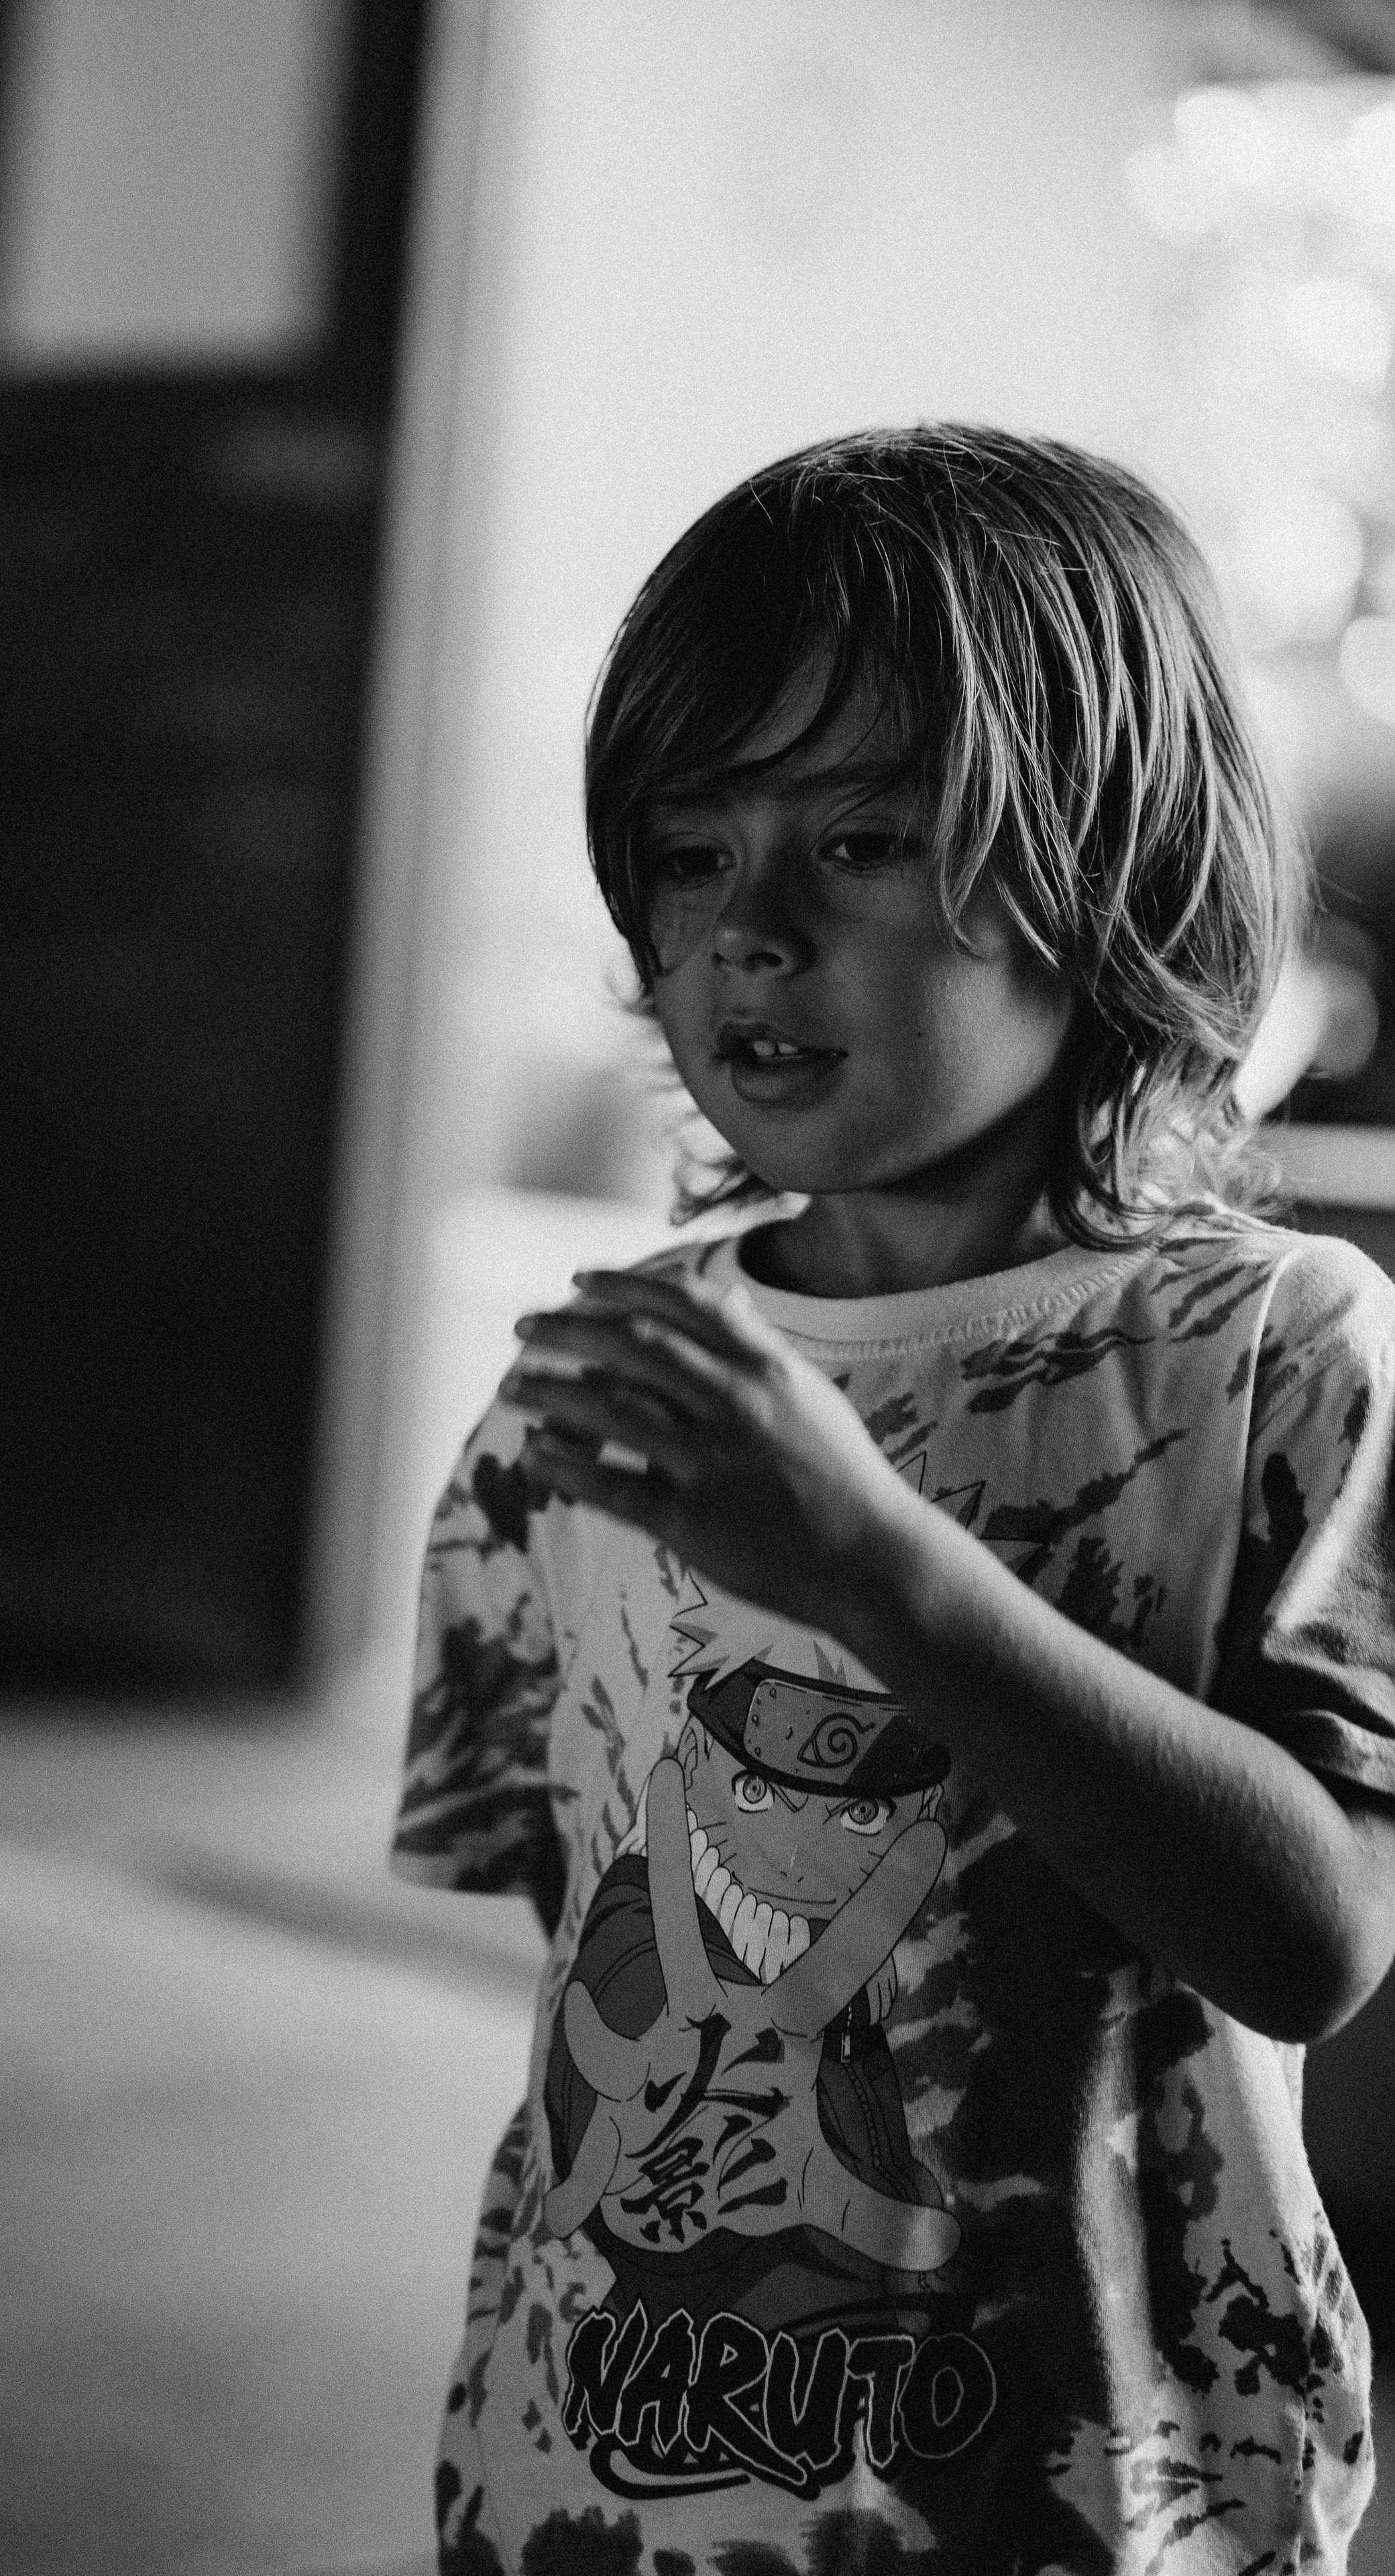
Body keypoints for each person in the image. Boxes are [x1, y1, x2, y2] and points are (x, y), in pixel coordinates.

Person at [390, 427, 1395, 2573]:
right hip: (605, 2470)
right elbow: (591, 1958)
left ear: (1112, 882)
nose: (745, 933)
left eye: (858, 837)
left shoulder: (1271, 1354)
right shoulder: (610, 1382)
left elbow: (1312, 1941)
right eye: (686, 851)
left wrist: (875, 1568)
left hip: (1096, 2489)